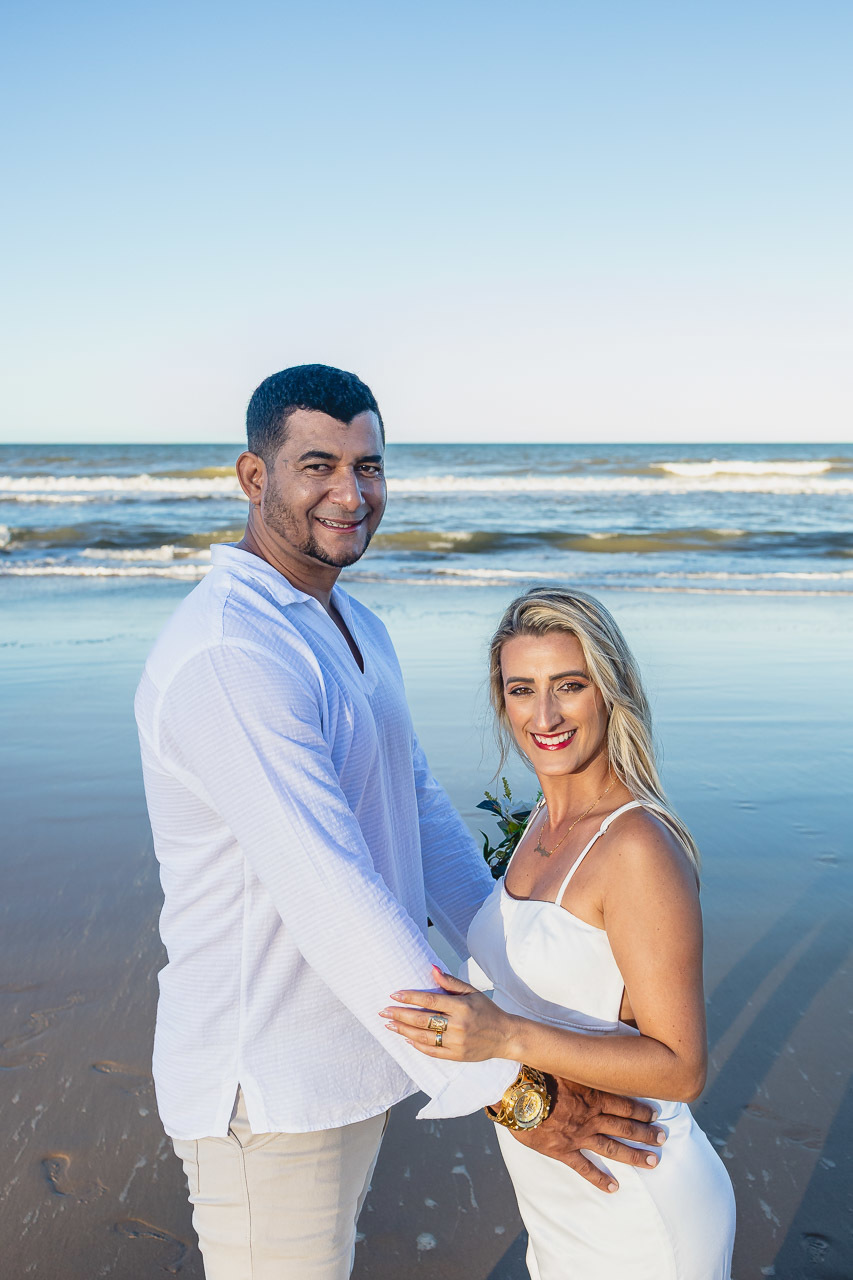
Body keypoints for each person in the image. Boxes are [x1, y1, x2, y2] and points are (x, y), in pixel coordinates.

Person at [135, 367, 666, 1280]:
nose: (351, 494)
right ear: (253, 478)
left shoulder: (351, 625)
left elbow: (419, 818)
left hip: (353, 1050)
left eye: (369, 466)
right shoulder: (232, 654)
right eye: (317, 466)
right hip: (268, 1075)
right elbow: (329, 889)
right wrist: (520, 1090)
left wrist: (521, 987)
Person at [384, 586, 736, 1279]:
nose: (543, 715)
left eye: (568, 686)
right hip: (557, 1204)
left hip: (636, 1201)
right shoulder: (539, 829)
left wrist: (506, 1039)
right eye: (522, 689)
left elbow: (682, 1067)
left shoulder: (635, 847)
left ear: (609, 691)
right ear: (502, 701)